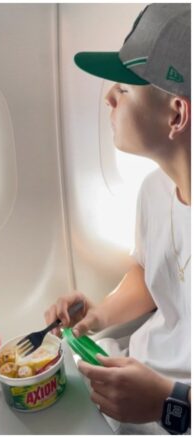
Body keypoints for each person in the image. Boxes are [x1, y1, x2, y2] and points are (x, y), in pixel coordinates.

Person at [45, 4, 190, 434]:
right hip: (137, 374)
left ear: (177, 115)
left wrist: (170, 402)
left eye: (126, 87)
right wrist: (97, 316)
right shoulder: (154, 189)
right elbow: (151, 274)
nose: (108, 94)